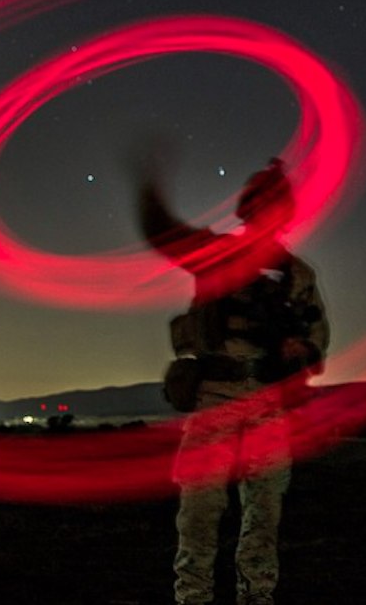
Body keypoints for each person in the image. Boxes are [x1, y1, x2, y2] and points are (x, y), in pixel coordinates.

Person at [137, 157, 330, 605]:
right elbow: (167, 236)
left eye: (276, 207)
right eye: (261, 206)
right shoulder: (216, 254)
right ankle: (193, 598)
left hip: (270, 404)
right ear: (246, 210)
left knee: (264, 516)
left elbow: (317, 337)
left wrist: (300, 350)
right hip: (216, 400)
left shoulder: (299, 276)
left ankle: (257, 596)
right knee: (200, 514)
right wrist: (151, 194)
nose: (268, 215)